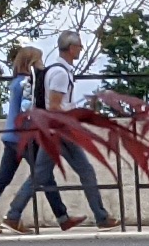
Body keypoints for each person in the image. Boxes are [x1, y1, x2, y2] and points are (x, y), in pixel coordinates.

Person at [31, 29, 123, 228]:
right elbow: (54, 105)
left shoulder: (58, 70)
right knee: (81, 171)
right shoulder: (60, 73)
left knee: (42, 174)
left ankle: (14, 214)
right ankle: (101, 217)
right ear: (71, 48)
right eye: (79, 46)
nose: (81, 49)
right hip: (61, 129)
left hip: (56, 129)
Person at [0, 42, 53, 232]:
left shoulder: (16, 82)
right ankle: (59, 216)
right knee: (43, 173)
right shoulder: (27, 83)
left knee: (3, 177)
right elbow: (27, 110)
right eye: (40, 60)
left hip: (10, 136)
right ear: (32, 63)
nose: (42, 64)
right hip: (22, 137)